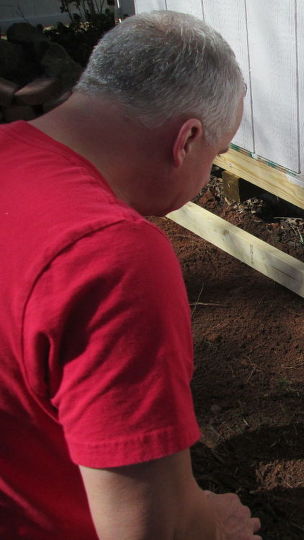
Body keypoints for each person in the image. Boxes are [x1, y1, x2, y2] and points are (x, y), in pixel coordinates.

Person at [0, 10, 260, 539]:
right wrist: (212, 528)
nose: (208, 173)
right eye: (217, 153)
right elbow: (145, 531)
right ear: (186, 139)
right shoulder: (110, 257)